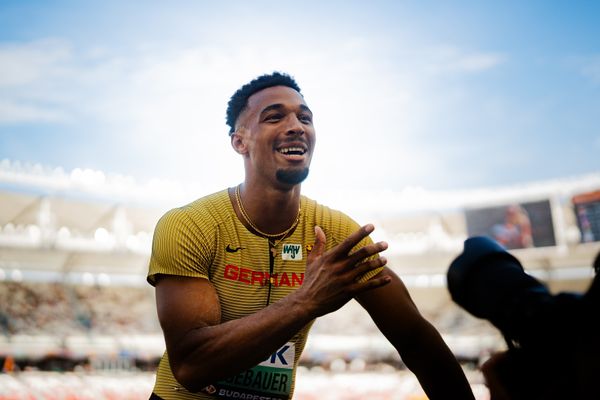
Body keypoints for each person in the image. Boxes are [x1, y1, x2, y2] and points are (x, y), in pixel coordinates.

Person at [147, 72, 475, 400]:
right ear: (240, 142)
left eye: (305, 118)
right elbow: (192, 366)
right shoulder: (190, 225)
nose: (296, 126)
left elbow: (417, 341)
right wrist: (306, 301)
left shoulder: (336, 233)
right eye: (274, 117)